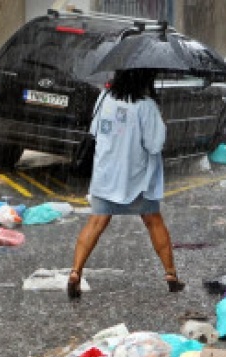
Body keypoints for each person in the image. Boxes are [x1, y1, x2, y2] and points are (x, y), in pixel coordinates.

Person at [67, 69, 185, 299]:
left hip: (106, 173)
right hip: (136, 177)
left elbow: (95, 131)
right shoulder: (146, 106)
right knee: (153, 220)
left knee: (96, 222)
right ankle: (170, 274)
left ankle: (75, 272)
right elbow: (154, 145)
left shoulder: (104, 97)